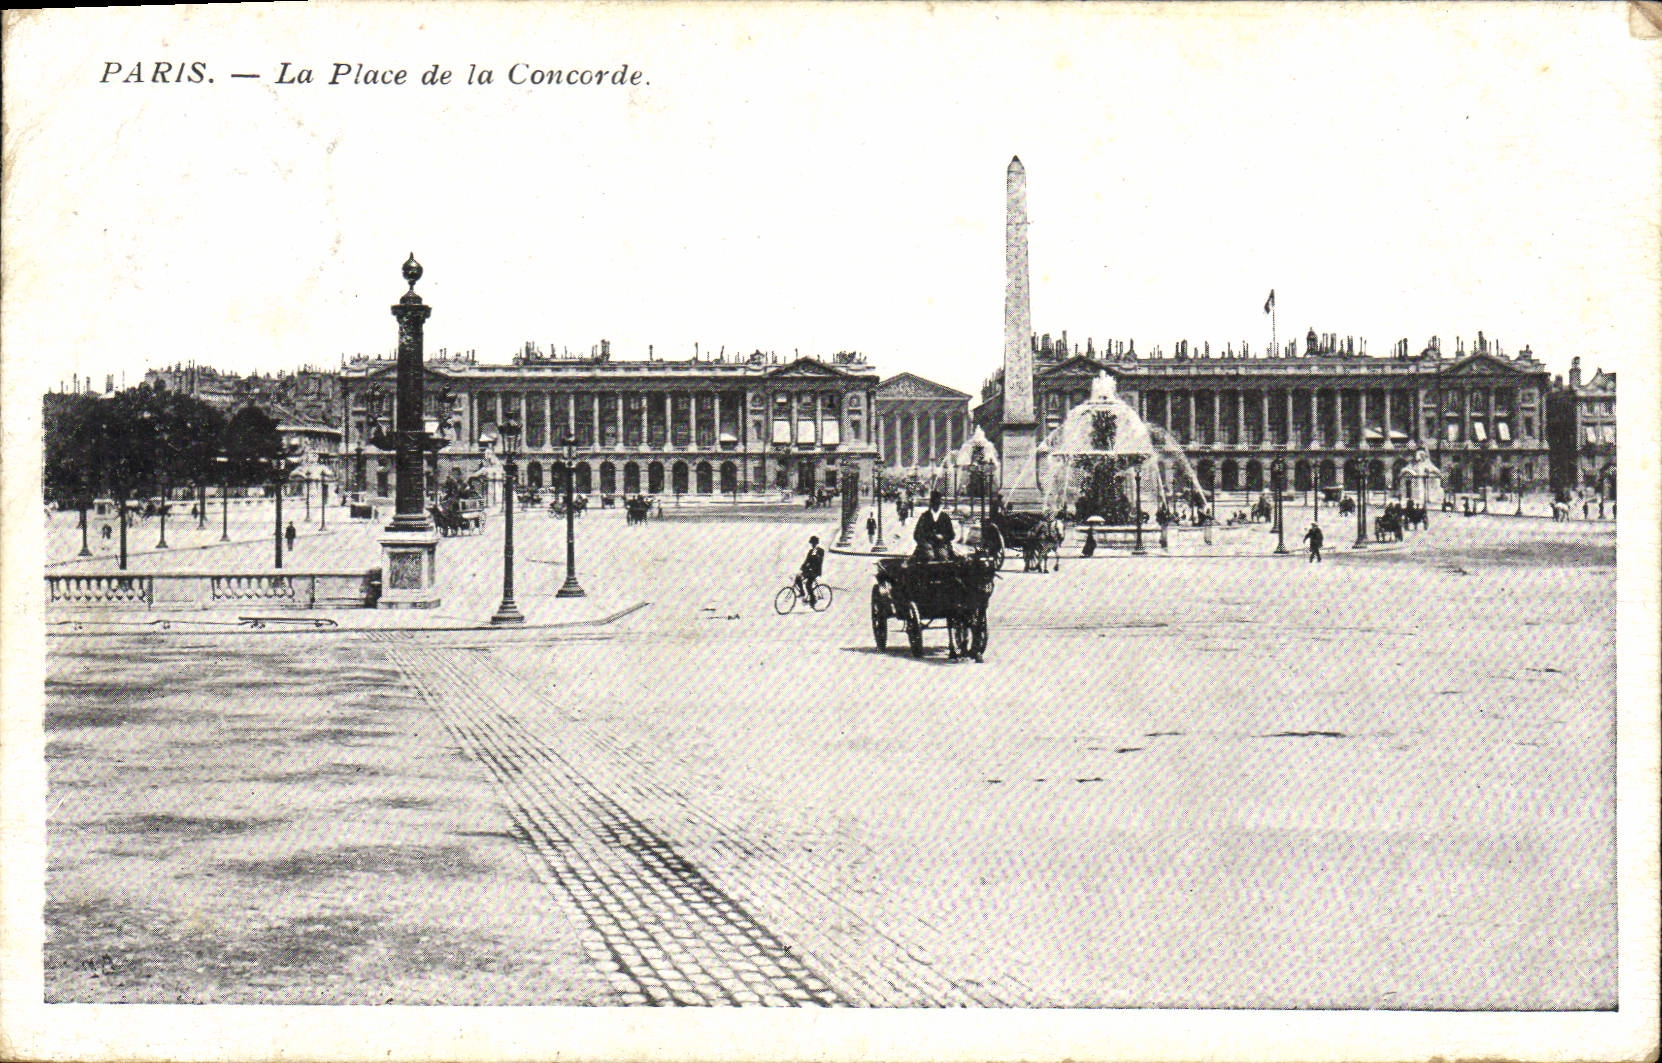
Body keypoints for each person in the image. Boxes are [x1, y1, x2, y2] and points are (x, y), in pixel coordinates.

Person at [912, 490, 956, 562]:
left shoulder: (945, 517)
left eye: (938, 502)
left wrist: (943, 537)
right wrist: (926, 543)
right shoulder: (924, 516)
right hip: (926, 546)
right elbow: (917, 534)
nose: (936, 505)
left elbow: (951, 535)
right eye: (934, 502)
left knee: (944, 557)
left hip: (942, 545)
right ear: (931, 503)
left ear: (940, 503)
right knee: (927, 557)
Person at [792, 535, 825, 601]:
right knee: (798, 577)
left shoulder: (820, 551)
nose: (812, 545)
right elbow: (807, 560)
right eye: (812, 543)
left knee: (808, 585)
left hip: (815, 571)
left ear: (816, 543)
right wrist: (802, 567)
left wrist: (816, 554)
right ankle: (802, 592)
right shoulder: (811, 551)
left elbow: (819, 561)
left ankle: (813, 599)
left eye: (814, 543)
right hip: (809, 571)